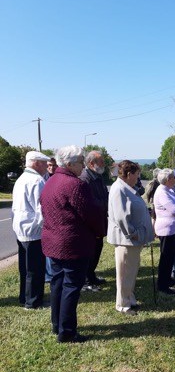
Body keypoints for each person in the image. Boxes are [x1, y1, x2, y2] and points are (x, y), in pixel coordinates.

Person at [41, 145, 104, 343]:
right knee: (70, 287)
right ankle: (67, 332)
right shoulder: (75, 185)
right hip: (73, 244)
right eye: (79, 163)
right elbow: (91, 214)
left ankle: (57, 324)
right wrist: (100, 231)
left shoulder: (50, 181)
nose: (82, 166)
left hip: (53, 242)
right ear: (69, 164)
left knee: (57, 284)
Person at [107, 160, 154, 316]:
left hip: (132, 239)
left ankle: (129, 299)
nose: (138, 177)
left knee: (131, 271)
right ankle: (123, 304)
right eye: (136, 174)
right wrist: (131, 232)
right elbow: (120, 216)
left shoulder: (127, 188)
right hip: (126, 239)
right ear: (128, 174)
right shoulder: (119, 189)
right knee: (125, 272)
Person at [12, 150, 50, 309]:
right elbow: (41, 209)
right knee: (35, 268)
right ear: (36, 163)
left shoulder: (21, 179)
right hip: (33, 230)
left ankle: (25, 296)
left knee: (25, 267)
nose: (46, 167)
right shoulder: (36, 180)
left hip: (21, 228)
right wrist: (44, 227)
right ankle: (33, 301)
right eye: (44, 164)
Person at [80, 150, 109, 292]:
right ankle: (86, 281)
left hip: (99, 220)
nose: (104, 163)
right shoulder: (85, 178)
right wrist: (106, 203)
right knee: (90, 252)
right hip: (90, 223)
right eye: (101, 161)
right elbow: (90, 202)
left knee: (97, 250)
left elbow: (104, 194)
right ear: (91, 164)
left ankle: (91, 276)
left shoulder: (98, 176)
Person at [153, 168, 175, 294]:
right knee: (166, 257)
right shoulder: (162, 192)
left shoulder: (169, 190)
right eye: (173, 178)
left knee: (170, 257)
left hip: (172, 229)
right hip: (166, 229)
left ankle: (168, 280)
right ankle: (163, 285)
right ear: (167, 180)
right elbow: (174, 210)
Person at [44, 157, 58, 282]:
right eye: (49, 165)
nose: (51, 167)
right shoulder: (43, 179)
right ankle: (49, 275)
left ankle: (51, 273)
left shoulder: (57, 177)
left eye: (54, 165)